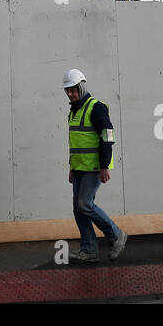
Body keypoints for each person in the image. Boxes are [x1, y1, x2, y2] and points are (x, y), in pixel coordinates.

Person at [63, 68, 127, 263]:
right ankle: (89, 250)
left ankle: (116, 235)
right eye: (68, 91)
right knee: (78, 208)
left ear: (82, 87)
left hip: (94, 167)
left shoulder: (96, 107)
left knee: (85, 204)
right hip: (80, 168)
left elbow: (108, 137)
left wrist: (104, 165)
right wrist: (72, 168)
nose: (71, 94)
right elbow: (76, 143)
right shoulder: (73, 111)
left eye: (73, 90)